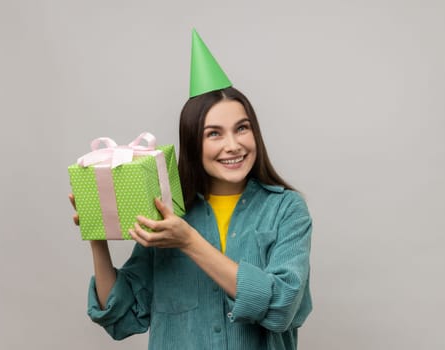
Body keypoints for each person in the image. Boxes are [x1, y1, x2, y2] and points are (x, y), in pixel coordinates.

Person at [69, 29, 312, 350]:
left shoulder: (286, 210)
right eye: (214, 134)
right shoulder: (167, 212)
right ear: (193, 143)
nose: (233, 145)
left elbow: (282, 307)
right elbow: (121, 318)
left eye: (242, 128)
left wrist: (189, 242)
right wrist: (97, 234)